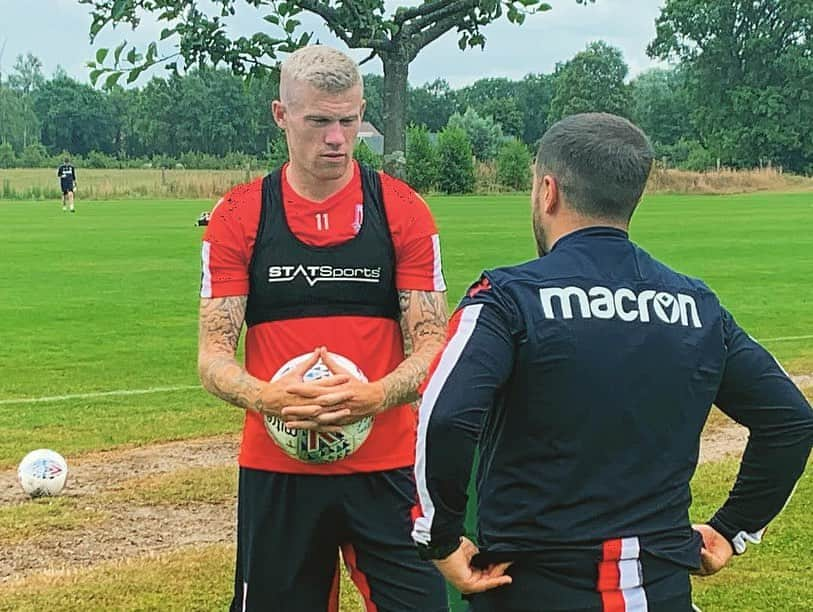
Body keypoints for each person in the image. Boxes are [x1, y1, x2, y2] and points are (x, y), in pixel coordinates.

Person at [412, 113, 813, 611]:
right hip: (660, 589)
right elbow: (791, 421)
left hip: (531, 587)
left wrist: (441, 537)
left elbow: (446, 414)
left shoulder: (506, 297)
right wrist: (732, 529)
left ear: (548, 192)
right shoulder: (697, 305)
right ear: (632, 198)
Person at [197, 45, 449, 612]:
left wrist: (376, 395)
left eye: (349, 119)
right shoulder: (239, 216)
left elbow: (434, 343)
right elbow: (212, 356)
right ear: (281, 116)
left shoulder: (403, 211)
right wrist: (266, 396)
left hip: (388, 469)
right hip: (277, 471)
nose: (337, 138)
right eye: (319, 121)